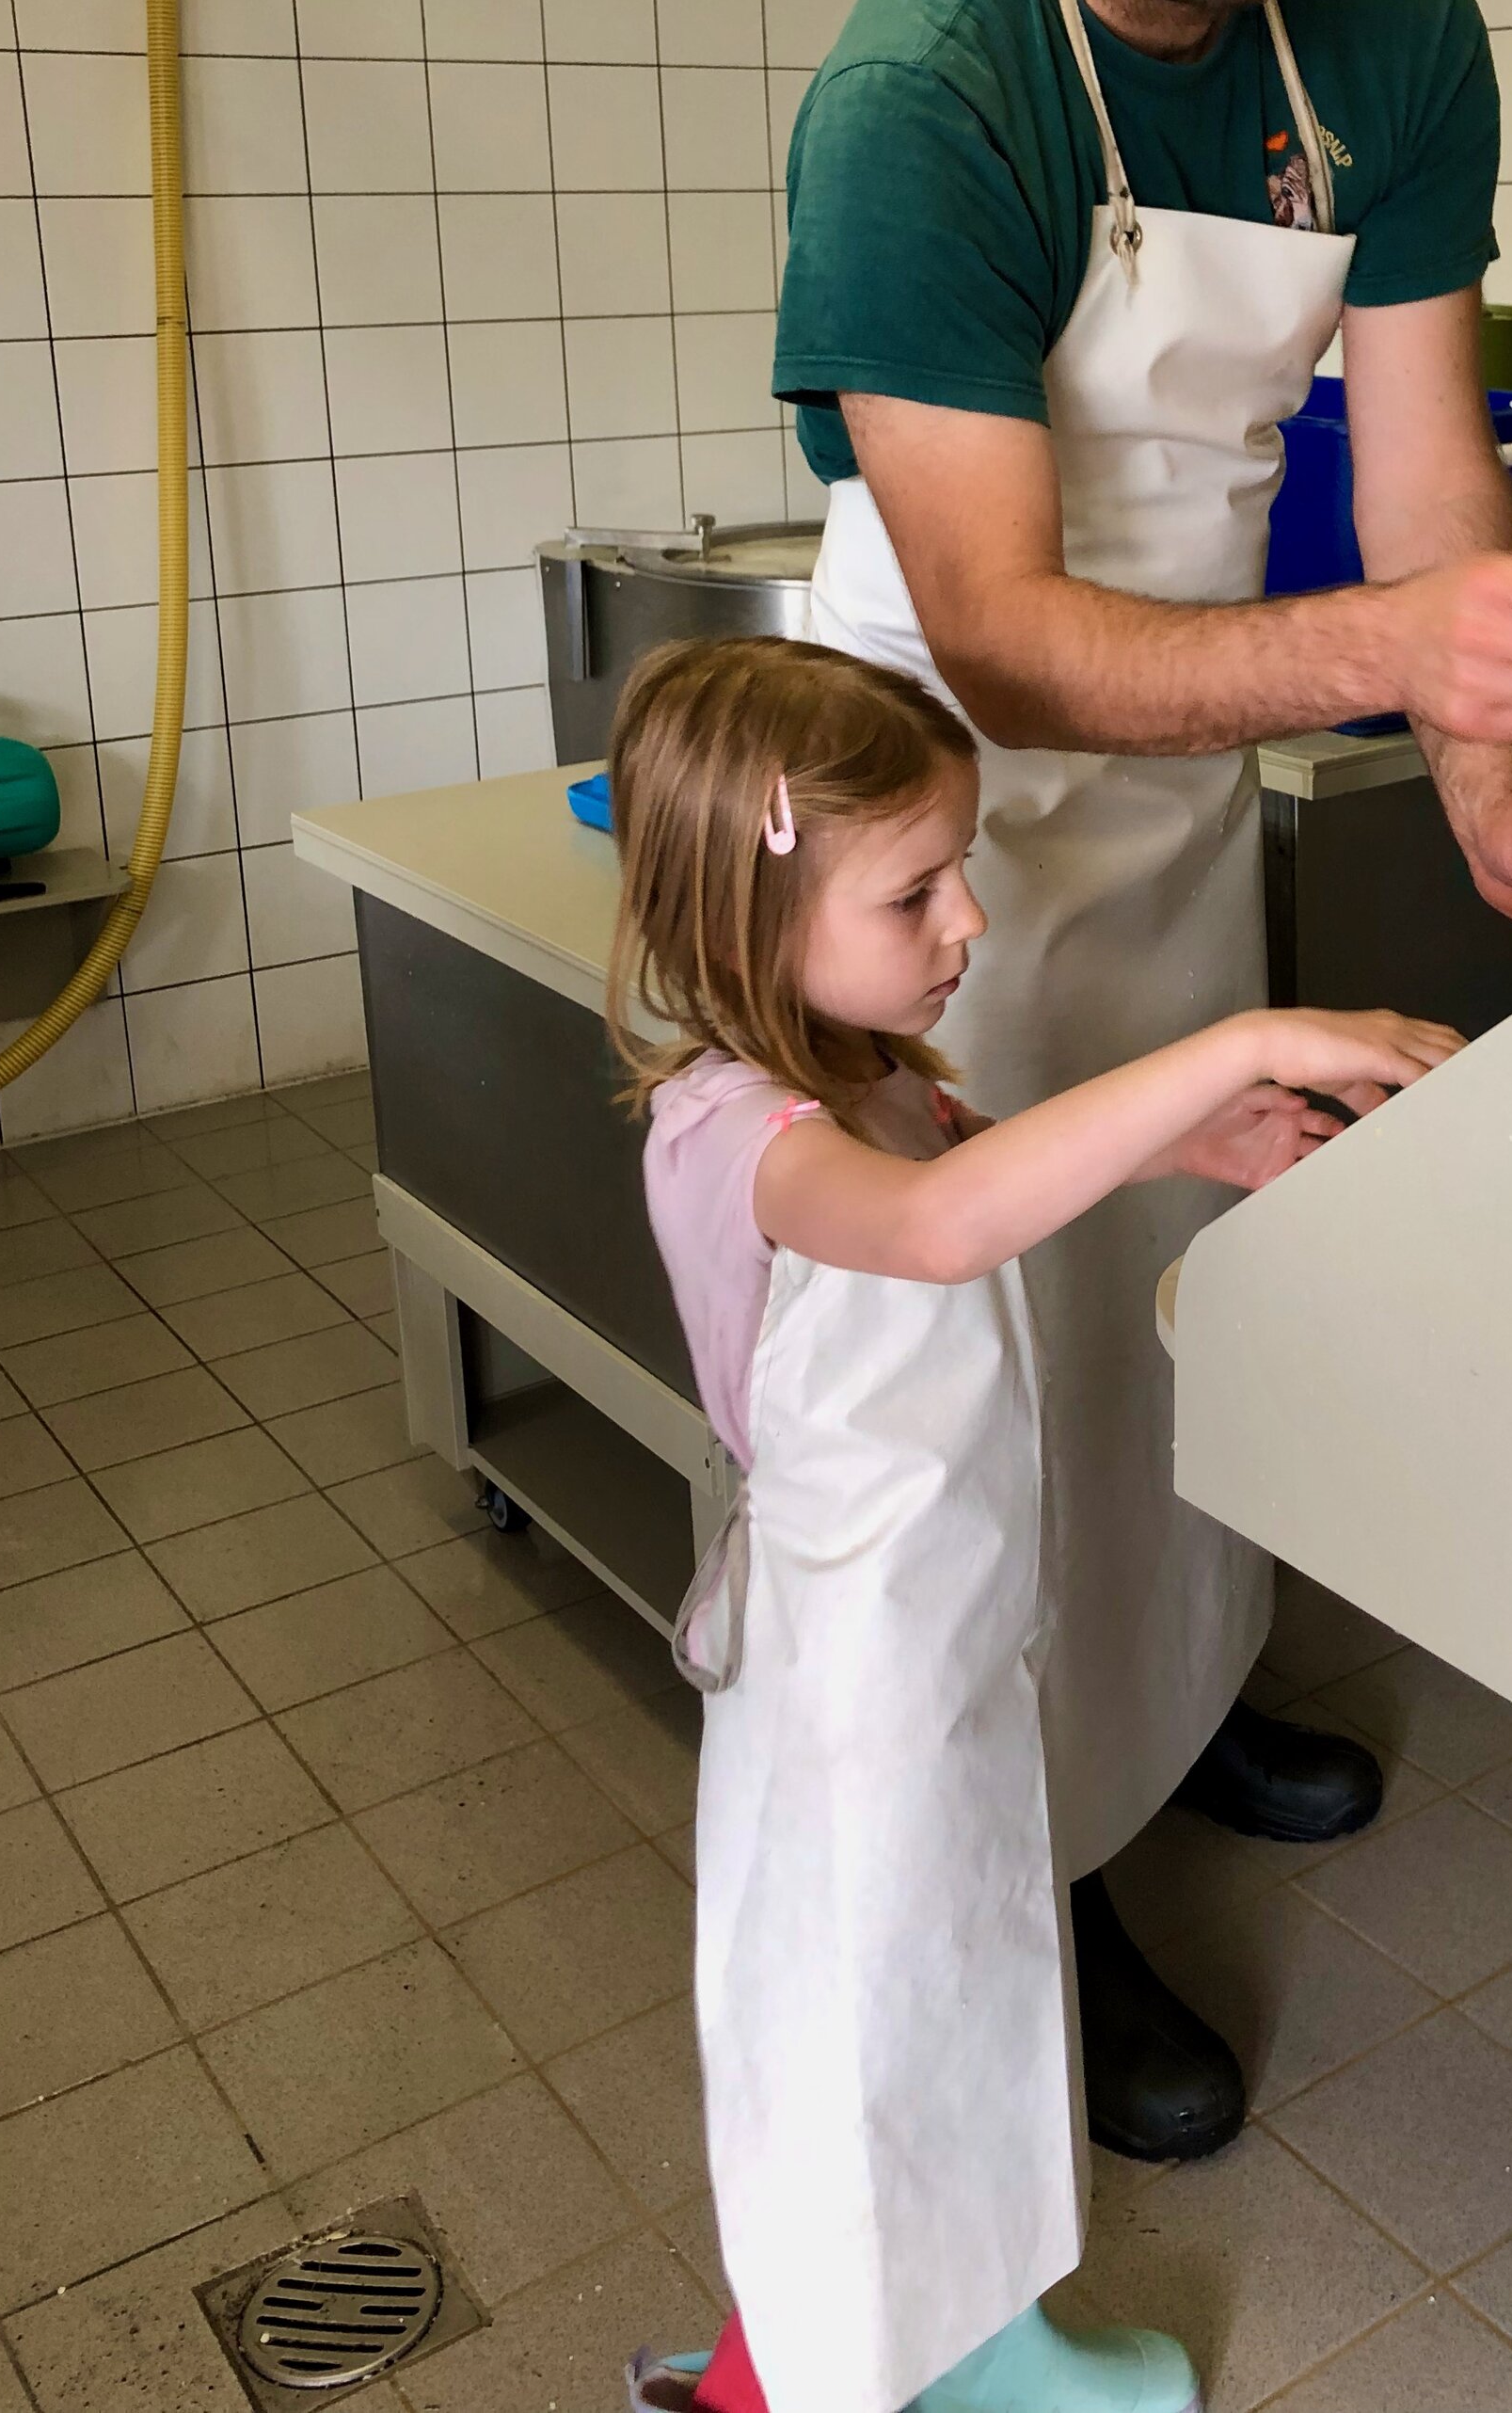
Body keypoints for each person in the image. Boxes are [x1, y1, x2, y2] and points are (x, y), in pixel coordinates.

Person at [773, 0, 1512, 2159]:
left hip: (1173, 808)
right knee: (982, 1395)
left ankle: (1163, 1725)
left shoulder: (1385, 35)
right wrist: (1390, 645)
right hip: (923, 841)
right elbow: (1013, 646)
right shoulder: (928, 95)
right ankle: (1030, 1883)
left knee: (1175, 1325)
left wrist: (1492, 787)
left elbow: (1413, 473)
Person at [613, 636, 1459, 2413]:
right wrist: (1243, 1031)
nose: (969, 921)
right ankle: (780, 2386)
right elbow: (937, 1228)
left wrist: (1191, 1145)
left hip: (952, 1632)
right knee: (855, 2044)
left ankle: (977, 2333)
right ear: (746, 916)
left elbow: (984, 1159)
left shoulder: (876, 1082)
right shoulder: (736, 1132)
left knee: (965, 1993)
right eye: (916, 886)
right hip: (851, 1684)